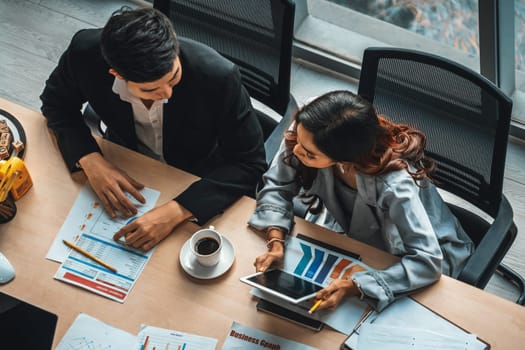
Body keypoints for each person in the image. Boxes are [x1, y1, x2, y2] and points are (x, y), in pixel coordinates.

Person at [40, 7, 266, 251]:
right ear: (116, 73)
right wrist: (90, 159)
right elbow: (56, 104)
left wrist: (176, 210)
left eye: (173, 77)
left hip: (196, 175)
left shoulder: (219, 76)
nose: (167, 93)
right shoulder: (83, 52)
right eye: (151, 90)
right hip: (126, 158)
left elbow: (249, 162)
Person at [248, 90, 474, 312]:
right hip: (350, 235)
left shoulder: (395, 186)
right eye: (297, 138)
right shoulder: (312, 126)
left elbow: (428, 260)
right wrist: (275, 240)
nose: (296, 150)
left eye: (309, 154)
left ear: (345, 160)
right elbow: (278, 183)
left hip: (410, 252)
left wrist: (356, 285)